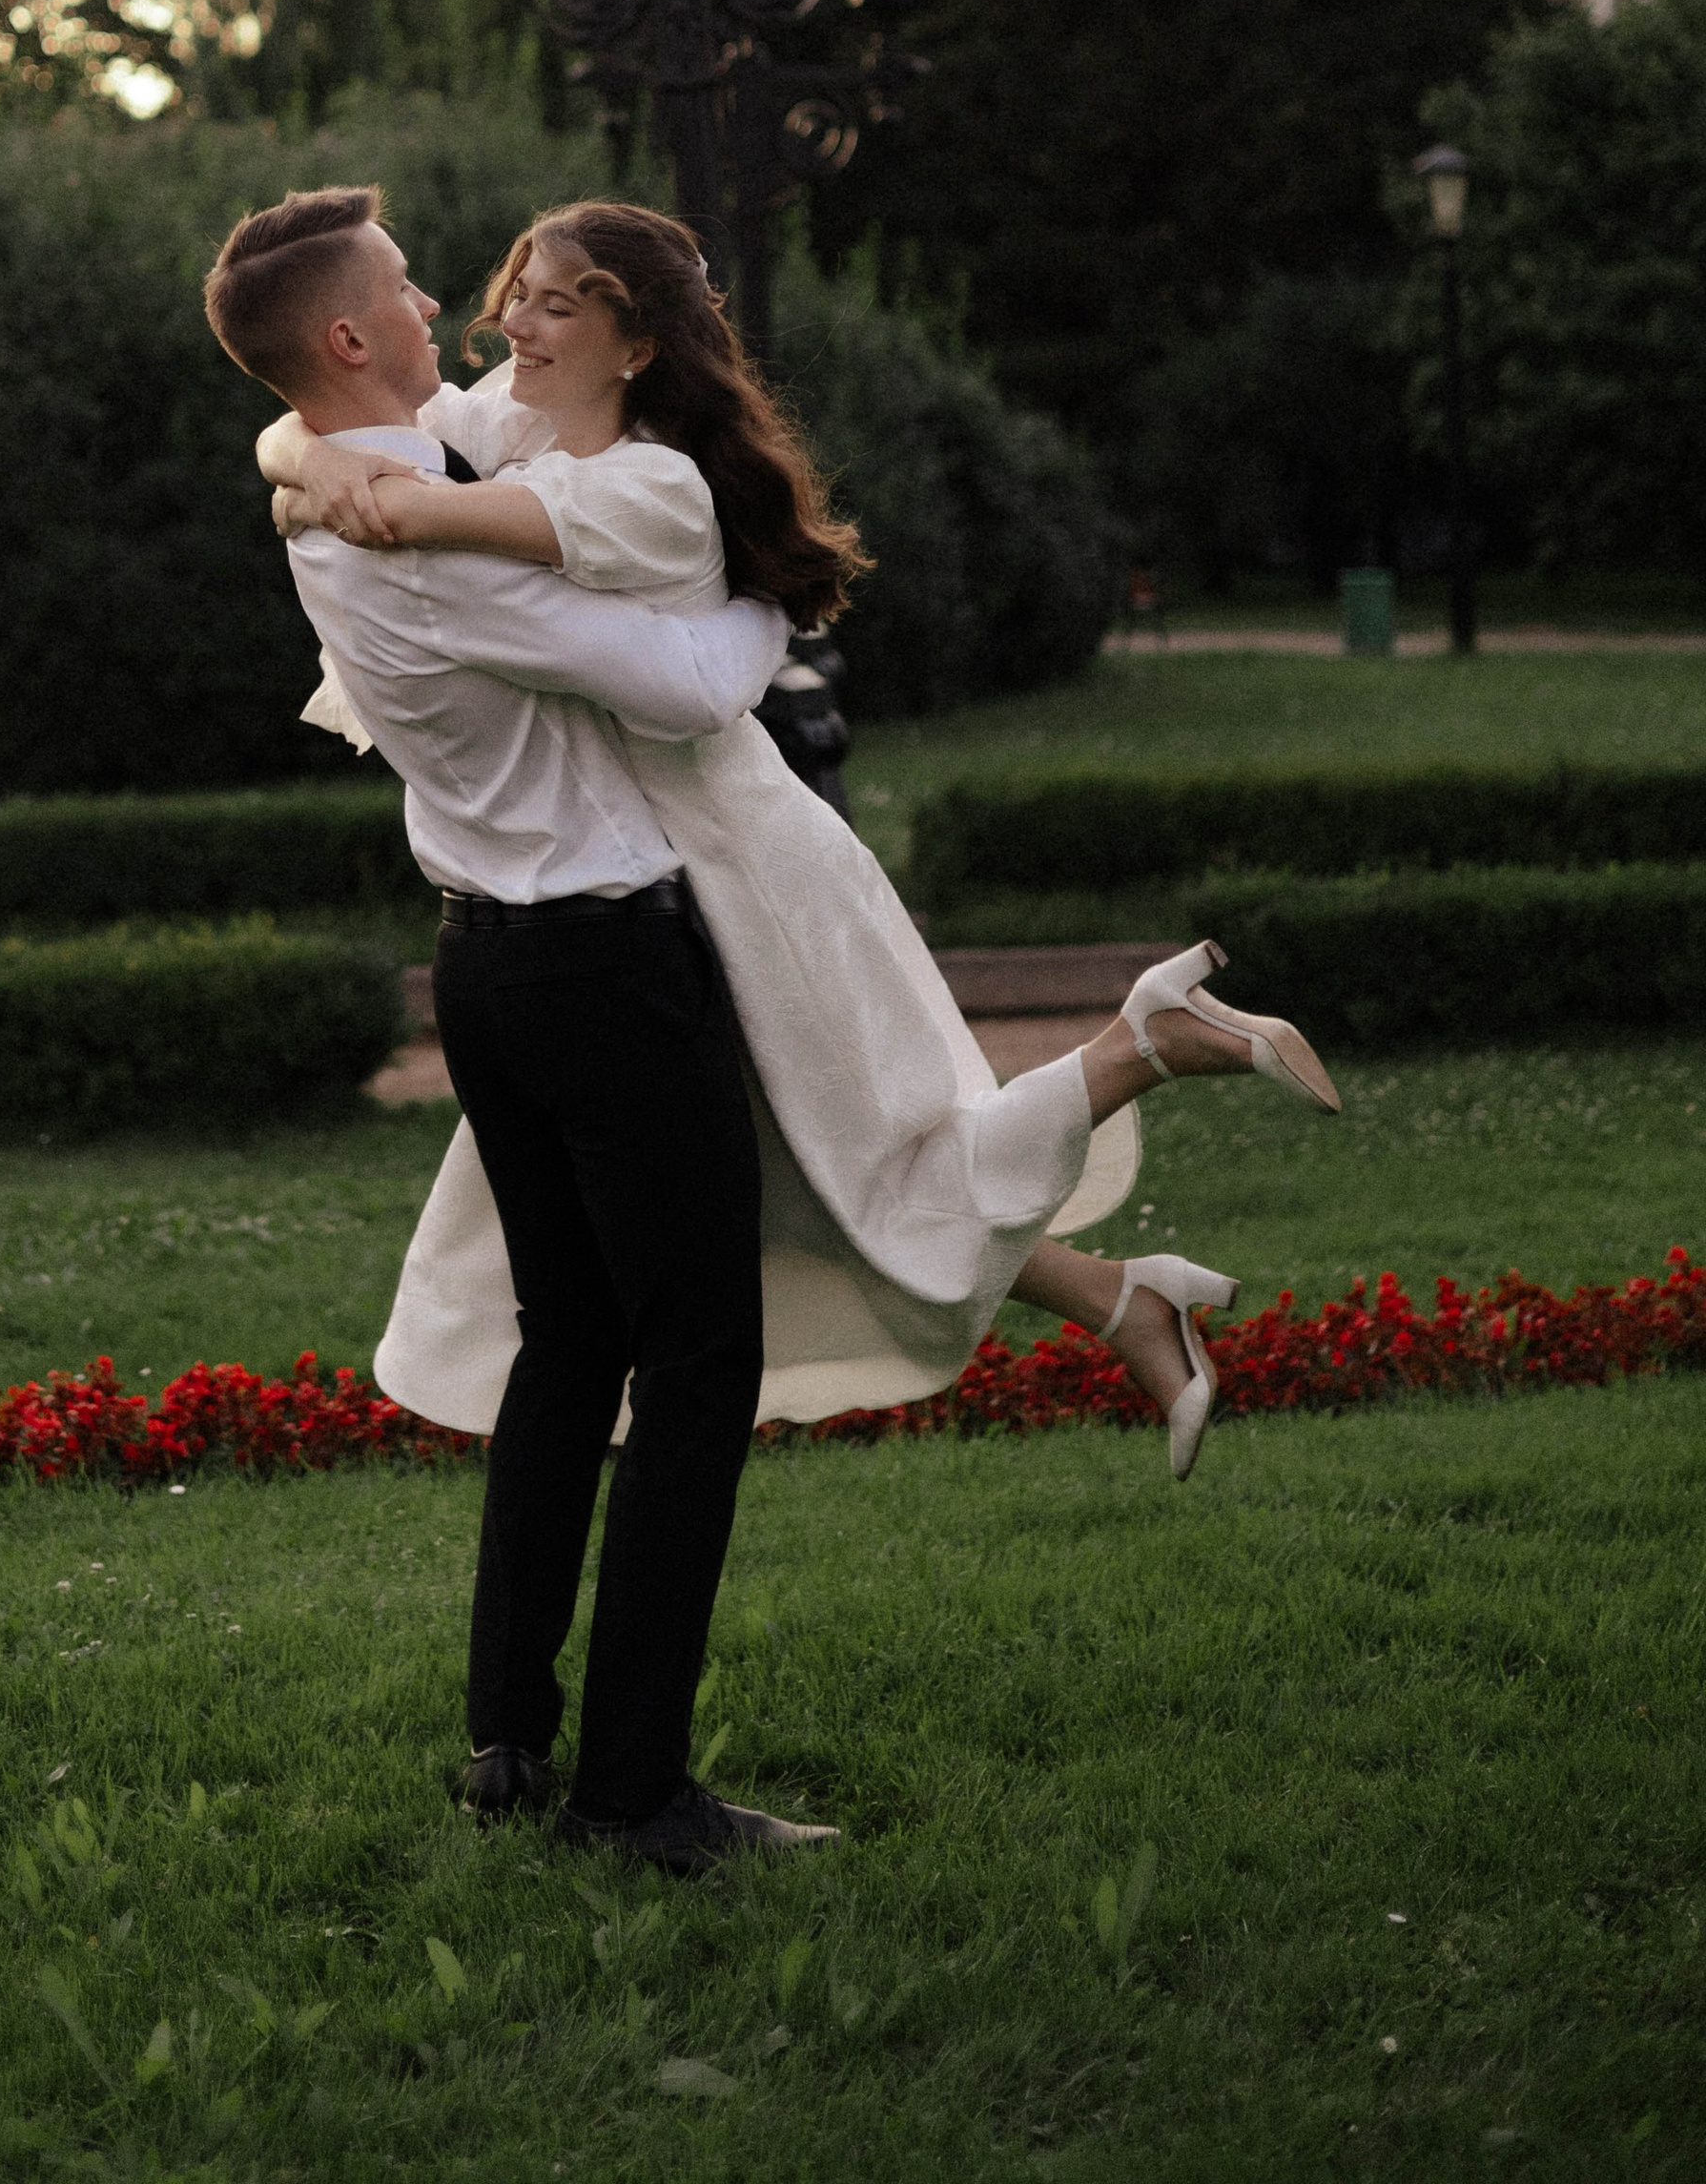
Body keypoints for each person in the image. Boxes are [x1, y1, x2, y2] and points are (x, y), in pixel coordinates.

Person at [257, 202, 1343, 1499]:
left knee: (865, 1162)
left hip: (741, 864)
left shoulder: (650, 483)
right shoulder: (517, 420)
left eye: (552, 302)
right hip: (666, 865)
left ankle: (1139, 1057)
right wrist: (301, 460)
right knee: (812, 1175)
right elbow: (339, 417)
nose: (500, 319)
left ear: (636, 341)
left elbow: (554, 591)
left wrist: (352, 496)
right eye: (517, 294)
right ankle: (1124, 1292)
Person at [203, 184, 826, 1877]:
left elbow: (311, 440)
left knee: (572, 1346)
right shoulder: (410, 541)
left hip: (488, 968)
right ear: (349, 336)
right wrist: (783, 599)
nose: (448, 310)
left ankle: (508, 1743)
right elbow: (698, 687)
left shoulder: (363, 479)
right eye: (408, 288)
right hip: (603, 966)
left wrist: (290, 451)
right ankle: (635, 1798)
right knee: (698, 1365)